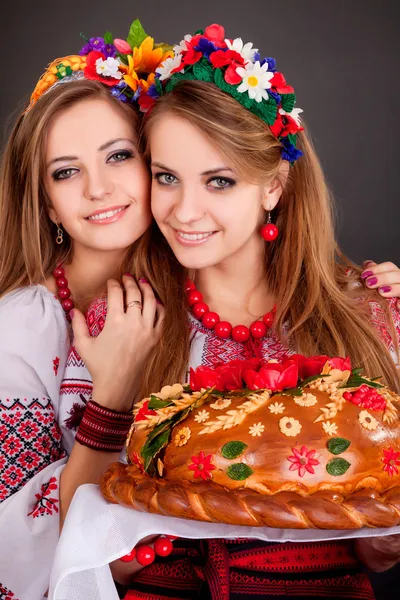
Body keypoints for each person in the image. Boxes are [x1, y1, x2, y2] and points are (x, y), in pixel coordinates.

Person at [54, 23, 400, 600]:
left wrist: (385, 538)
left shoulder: (369, 317)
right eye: (166, 177)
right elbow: (85, 548)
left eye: (219, 181)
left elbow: (377, 548)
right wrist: (114, 400)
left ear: (274, 185)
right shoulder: (121, 317)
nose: (186, 211)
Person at [0, 21, 187, 600]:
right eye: (66, 172)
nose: (99, 188)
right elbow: (29, 541)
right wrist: (112, 393)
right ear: (47, 203)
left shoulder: (202, 280)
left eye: (118, 156)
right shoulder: (20, 329)